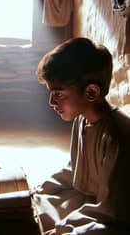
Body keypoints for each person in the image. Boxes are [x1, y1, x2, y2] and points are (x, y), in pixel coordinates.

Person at [33, 37, 130, 234]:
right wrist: (43, 187)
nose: (51, 102)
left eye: (58, 94)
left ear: (91, 92)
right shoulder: (81, 120)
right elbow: (76, 168)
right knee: (38, 200)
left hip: (114, 212)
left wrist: (67, 229)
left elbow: (112, 211)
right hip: (89, 198)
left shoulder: (116, 137)